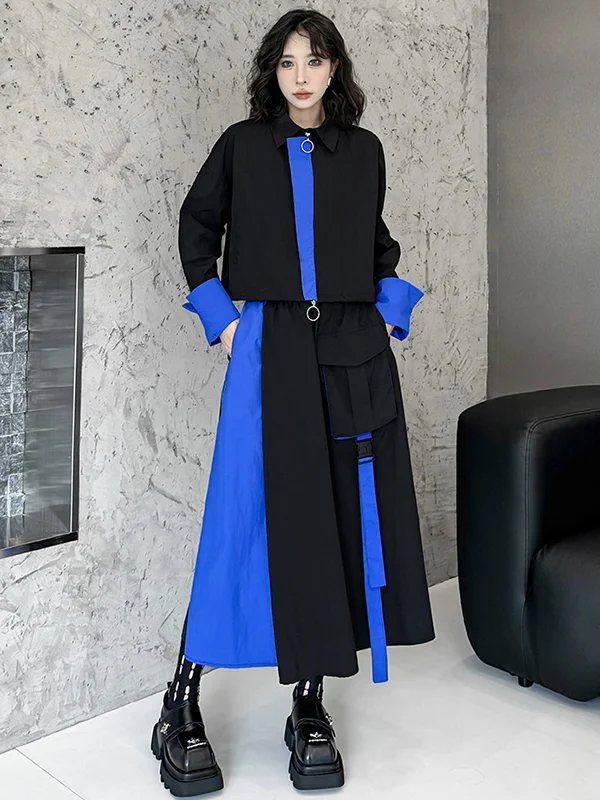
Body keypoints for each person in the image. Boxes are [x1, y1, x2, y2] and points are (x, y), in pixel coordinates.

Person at [151, 8, 435, 796]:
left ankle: (309, 702)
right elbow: (196, 226)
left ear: (335, 68)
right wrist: (224, 322)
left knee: (333, 517)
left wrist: (387, 312)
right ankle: (180, 700)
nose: (301, 76)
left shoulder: (362, 152)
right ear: (271, 73)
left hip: (348, 348)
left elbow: (376, 245)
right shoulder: (243, 145)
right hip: (267, 343)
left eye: (314, 60)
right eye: (287, 62)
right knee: (239, 515)